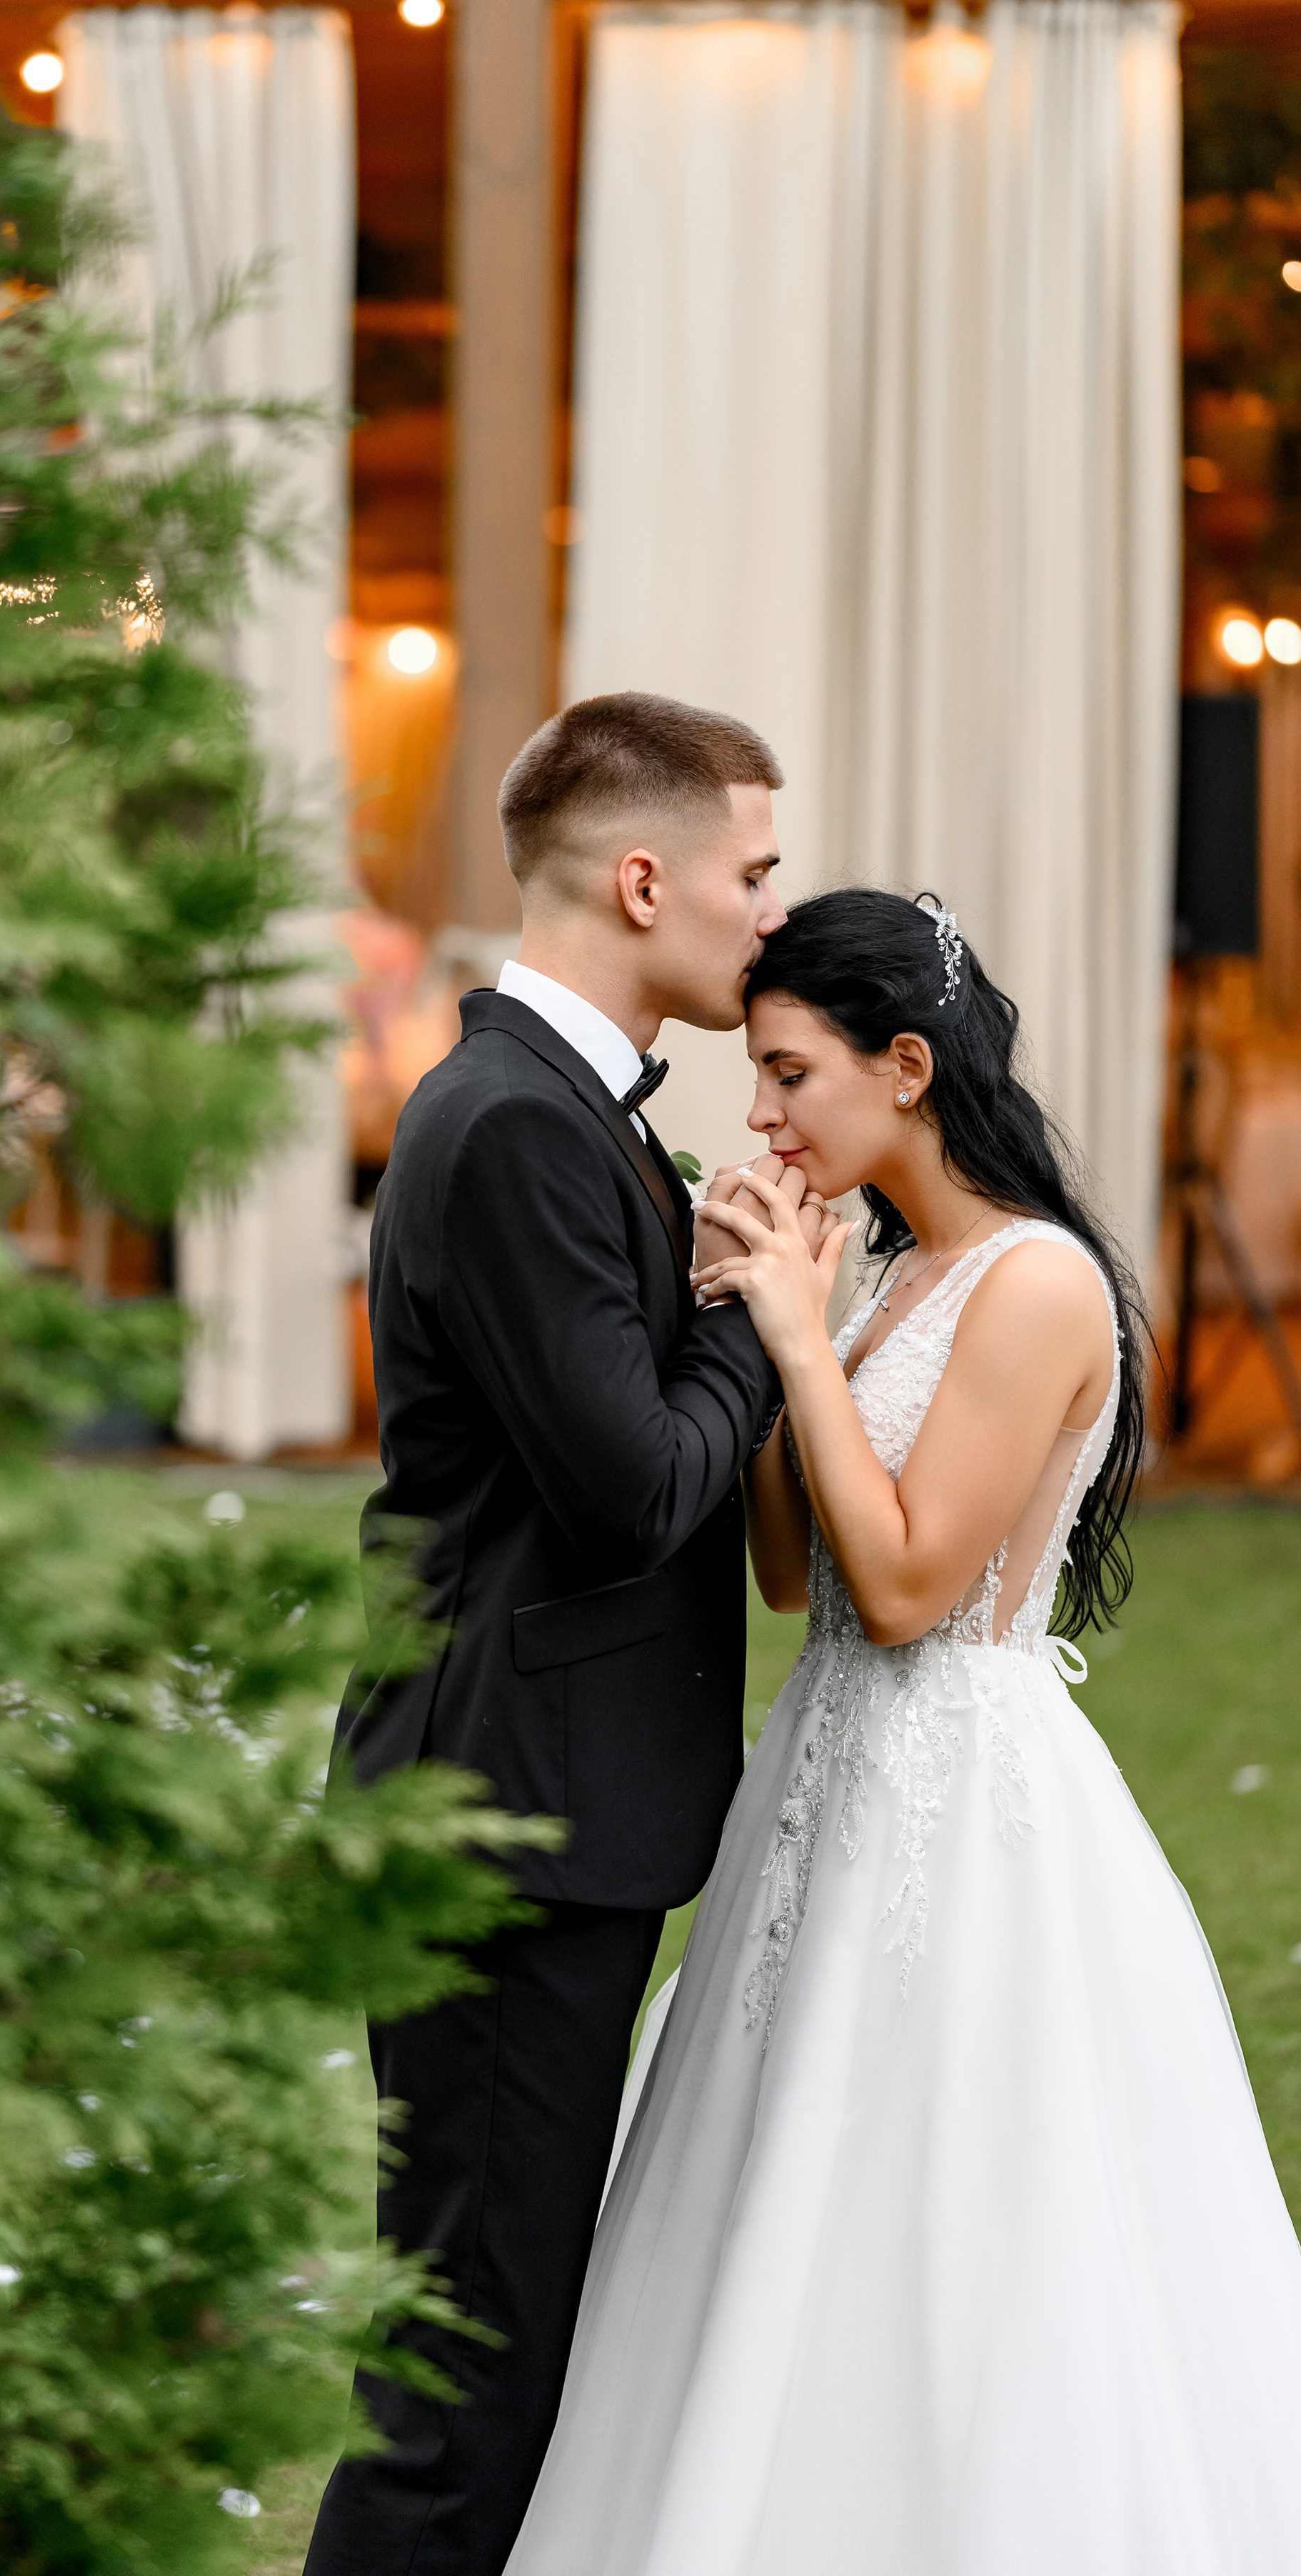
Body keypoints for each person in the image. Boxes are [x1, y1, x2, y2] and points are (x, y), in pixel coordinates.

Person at [505, 886, 1301, 2576]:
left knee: (954, 2195)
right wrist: (771, 1322)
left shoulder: (1033, 1284)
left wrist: (795, 1334)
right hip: (824, 1777)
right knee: (776, 2170)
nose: (765, 1116)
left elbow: (918, 1583)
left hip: (965, 1788)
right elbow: (797, 1573)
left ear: (909, 1066)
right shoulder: (894, 1273)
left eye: (792, 1074)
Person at [303, 693, 837, 2576]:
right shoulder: (516, 1128)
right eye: (751, 874)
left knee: (501, 2358)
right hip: (503, 1827)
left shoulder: (549, 1113)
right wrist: (753, 1307)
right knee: (465, 2393)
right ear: (642, 876)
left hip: (527, 1810)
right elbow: (635, 1486)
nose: (770, 916)